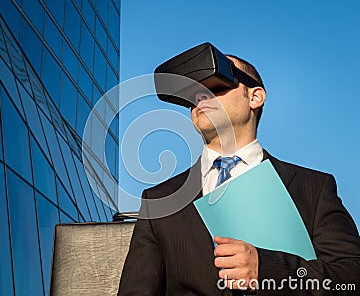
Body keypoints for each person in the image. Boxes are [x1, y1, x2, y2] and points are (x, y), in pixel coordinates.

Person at [118, 54, 360, 295]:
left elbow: (351, 276)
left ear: (255, 97)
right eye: (193, 92)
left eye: (218, 83)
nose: (201, 96)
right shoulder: (159, 200)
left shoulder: (313, 188)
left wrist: (266, 270)